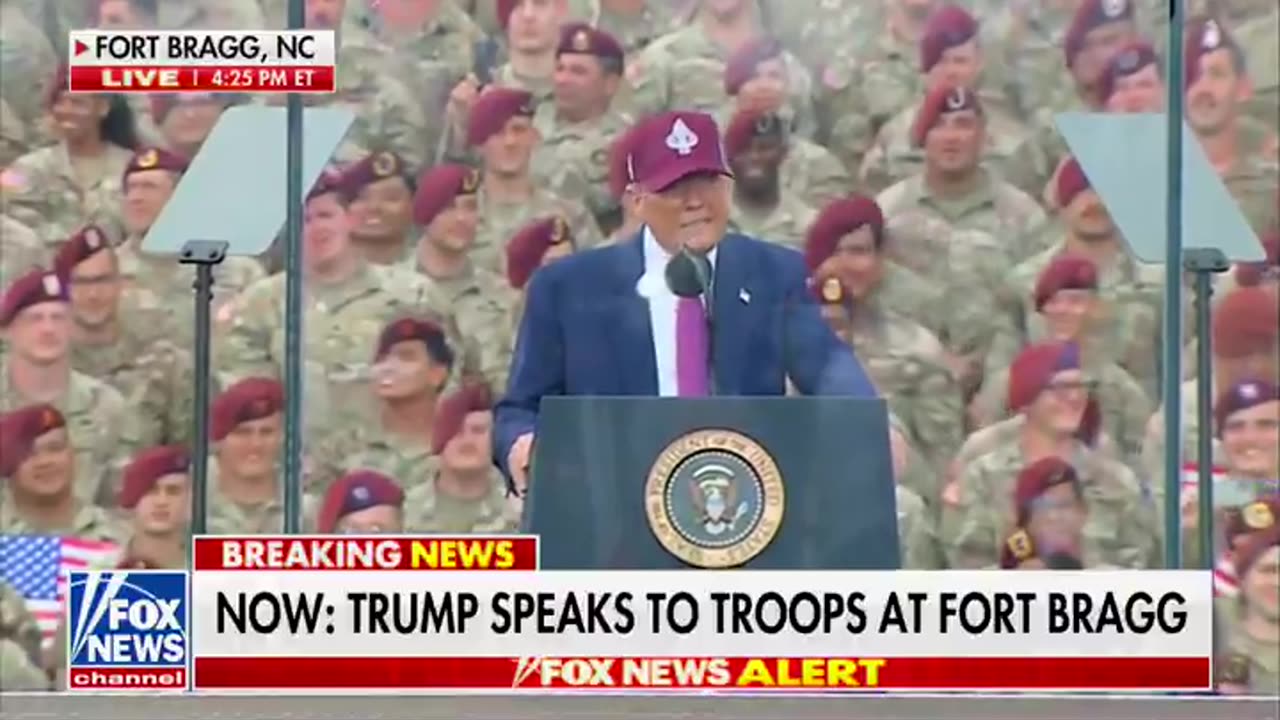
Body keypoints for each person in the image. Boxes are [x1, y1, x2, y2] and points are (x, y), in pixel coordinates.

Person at [494, 110, 885, 494]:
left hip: (743, 510)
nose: (696, 202)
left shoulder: (773, 274)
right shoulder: (570, 289)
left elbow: (830, 370)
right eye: (674, 188)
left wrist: (871, 423)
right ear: (636, 201)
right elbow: (518, 411)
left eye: (709, 183)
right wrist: (523, 445)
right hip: (617, 511)